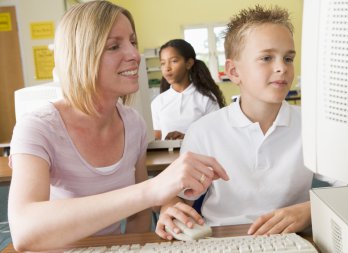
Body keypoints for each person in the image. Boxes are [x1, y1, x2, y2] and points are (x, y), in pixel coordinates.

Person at [7, 2, 228, 252]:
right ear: (81, 56)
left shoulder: (133, 123)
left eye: (132, 42)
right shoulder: (37, 127)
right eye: (114, 46)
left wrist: (164, 208)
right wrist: (150, 191)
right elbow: (24, 230)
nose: (135, 55)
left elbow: (140, 217)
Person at [156, 5, 325, 240]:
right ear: (234, 72)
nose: (282, 68)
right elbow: (179, 197)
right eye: (266, 58)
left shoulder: (314, 126)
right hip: (222, 239)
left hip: (293, 240)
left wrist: (310, 211)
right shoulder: (204, 132)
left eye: (288, 58)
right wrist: (169, 207)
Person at [151, 39, 226, 140]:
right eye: (163, 63)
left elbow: (217, 135)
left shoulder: (206, 98)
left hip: (200, 155)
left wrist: (187, 139)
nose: (167, 68)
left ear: (189, 63)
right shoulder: (157, 102)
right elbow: (156, 139)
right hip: (168, 156)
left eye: (174, 61)